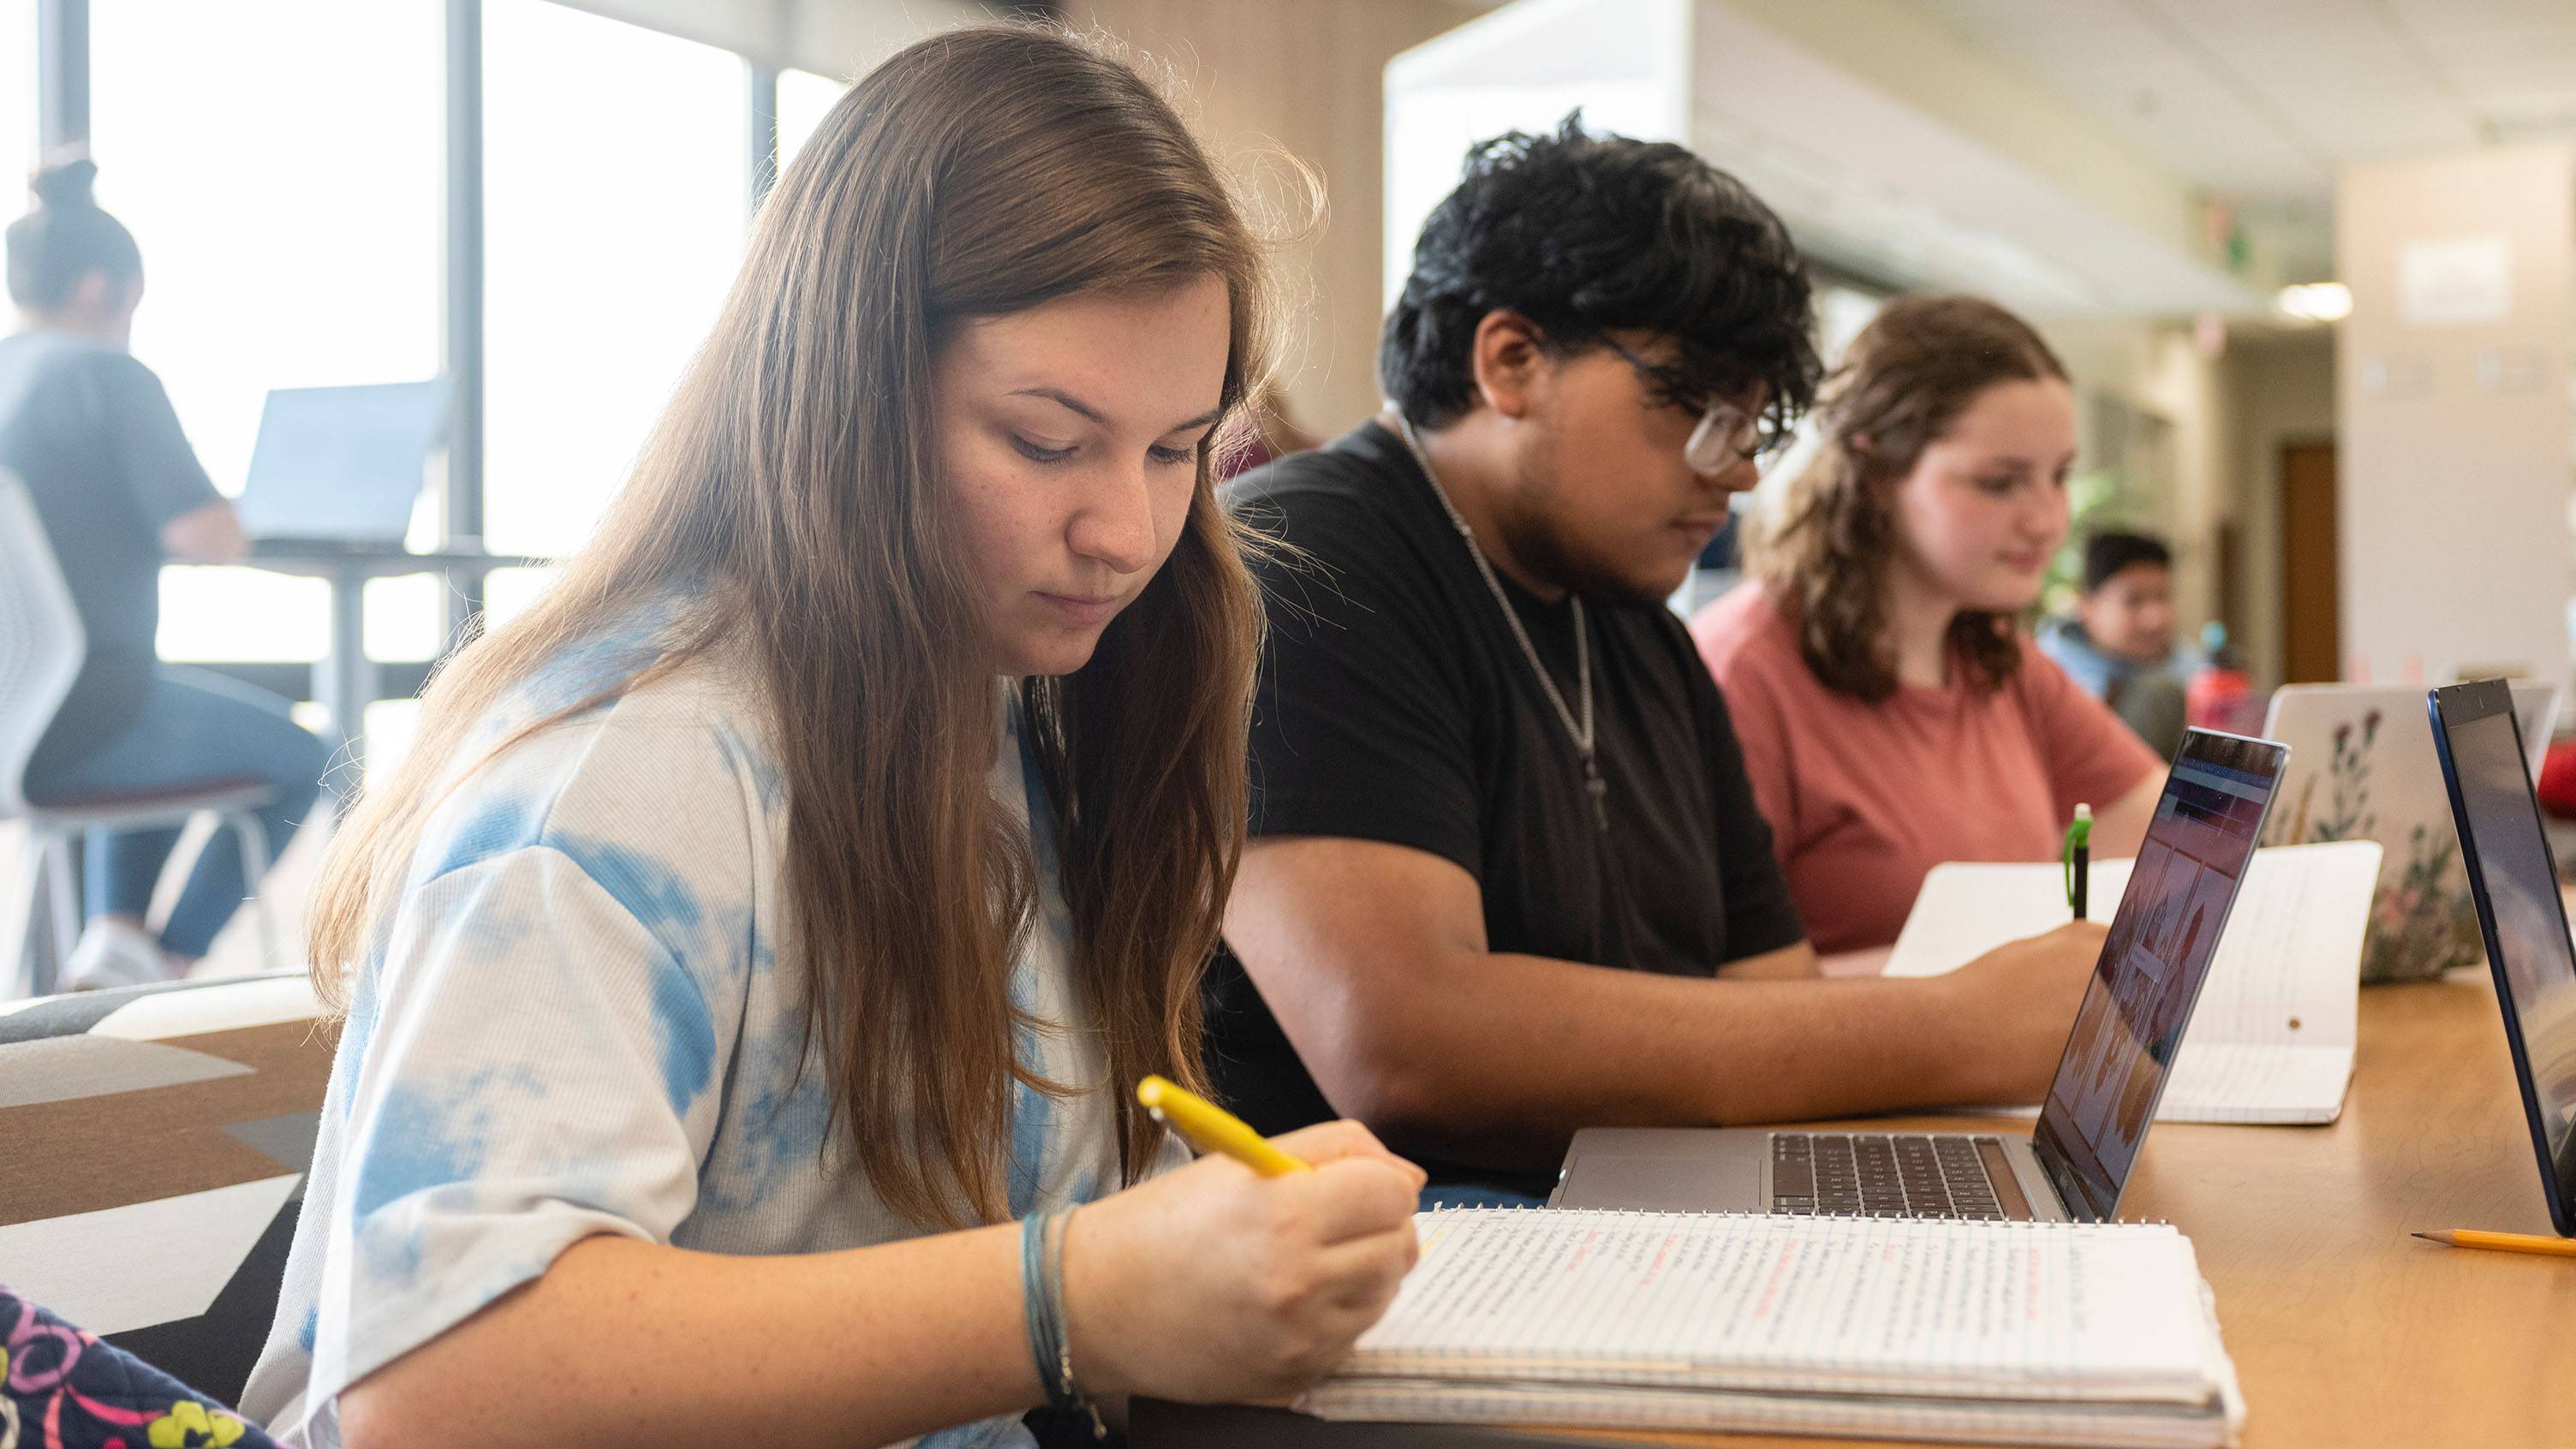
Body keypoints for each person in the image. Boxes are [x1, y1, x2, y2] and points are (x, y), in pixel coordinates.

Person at [236, 29, 1422, 1449]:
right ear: (845, 393)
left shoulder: (993, 698)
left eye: (1176, 450)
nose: (1126, 532)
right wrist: (1074, 1293)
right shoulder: (629, 766)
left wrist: (1210, 1268)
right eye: (1046, 441)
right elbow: (430, 1394)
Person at [1205, 121, 2108, 1205]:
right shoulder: (1306, 559)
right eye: (1695, 409)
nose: (1733, 476)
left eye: (1753, 426)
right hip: (1383, 1262)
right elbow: (1401, 1046)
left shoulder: (1642, 636)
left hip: (1637, 1230)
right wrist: (1959, 1024)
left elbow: (1774, 1000)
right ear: (1510, 362)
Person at [1692, 295, 2166, 956]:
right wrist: (1973, 996)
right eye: (1999, 483)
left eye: (2058, 477)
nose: (2048, 519)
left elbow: (2168, 848)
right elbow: (1703, 996)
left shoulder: (1995, 657)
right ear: (1877, 475)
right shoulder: (1744, 672)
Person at [2, 157, 329, 989]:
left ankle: (114, 941)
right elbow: (209, 535)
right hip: (82, 724)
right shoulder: (106, 376)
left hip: (24, 718)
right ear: (100, 289)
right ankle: (163, 966)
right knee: (318, 760)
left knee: (163, 696)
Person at [2037, 530, 2195, 754]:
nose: (2155, 618)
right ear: (2088, 605)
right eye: (2133, 601)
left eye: (2163, 597)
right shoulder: (2047, 675)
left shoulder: (2197, 671)